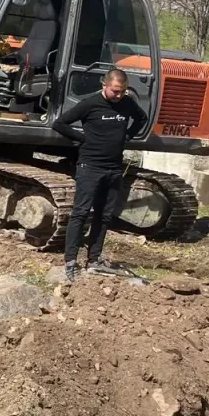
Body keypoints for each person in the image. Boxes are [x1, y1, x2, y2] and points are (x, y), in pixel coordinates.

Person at [52, 68, 148, 281]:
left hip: (113, 168)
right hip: (90, 167)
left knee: (104, 216)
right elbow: (59, 123)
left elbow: (142, 119)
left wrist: (127, 136)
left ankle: (93, 259)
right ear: (104, 85)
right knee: (80, 213)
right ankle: (70, 261)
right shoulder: (90, 104)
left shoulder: (127, 103)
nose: (119, 95)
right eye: (115, 91)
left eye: (122, 91)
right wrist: (82, 139)